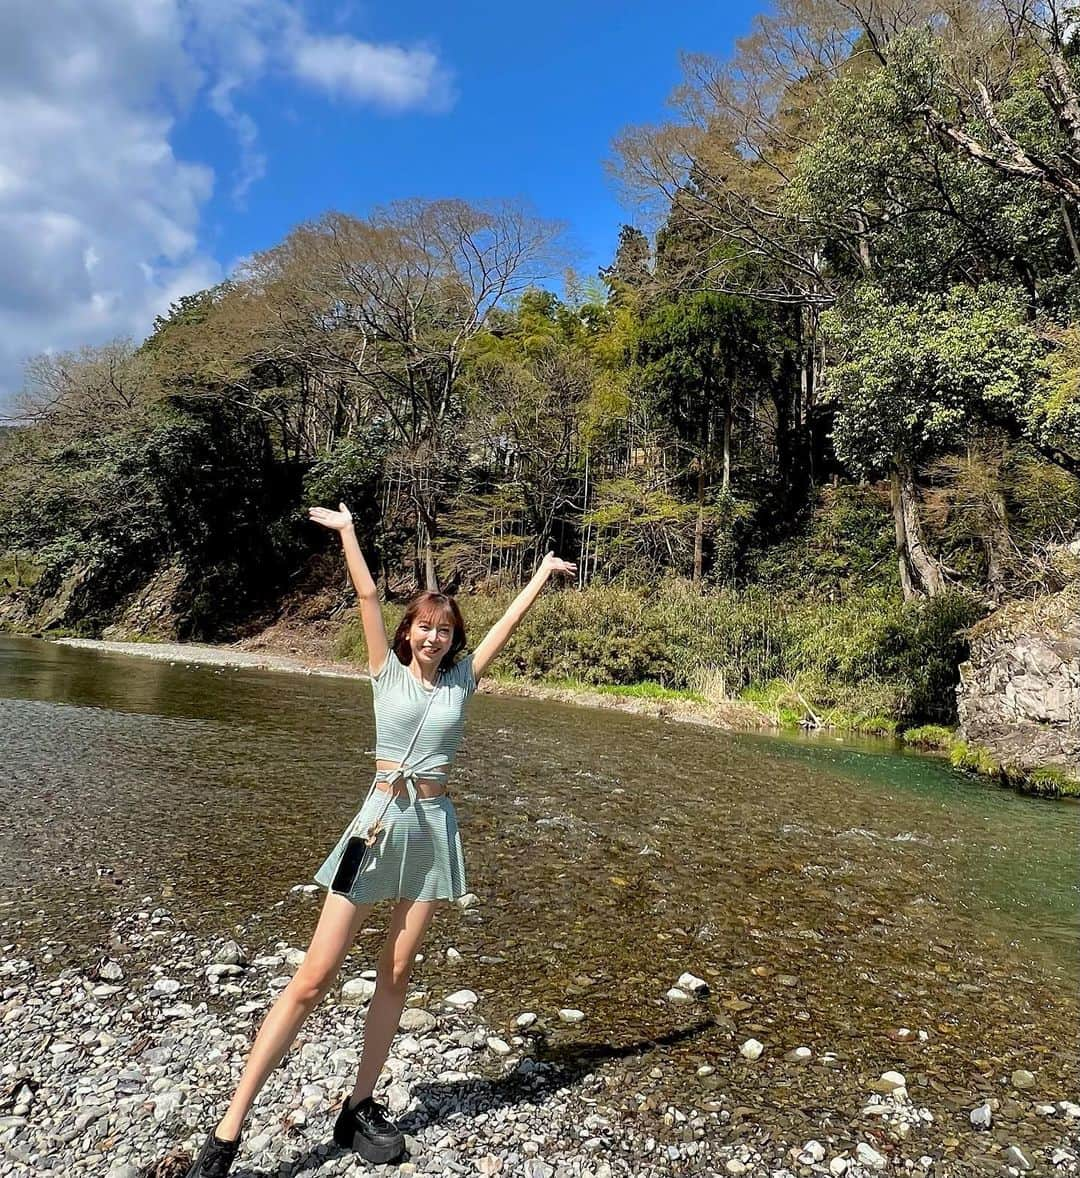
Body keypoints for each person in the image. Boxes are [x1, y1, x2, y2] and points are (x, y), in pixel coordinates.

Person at [186, 502, 576, 1178]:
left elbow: (507, 626)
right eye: (425, 627)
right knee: (311, 980)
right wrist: (346, 533)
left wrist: (540, 573)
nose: (434, 638)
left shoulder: (462, 680)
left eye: (445, 630)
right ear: (408, 632)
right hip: (375, 825)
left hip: (433, 830)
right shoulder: (384, 672)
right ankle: (226, 1133)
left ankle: (359, 1105)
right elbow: (367, 594)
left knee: (396, 973)